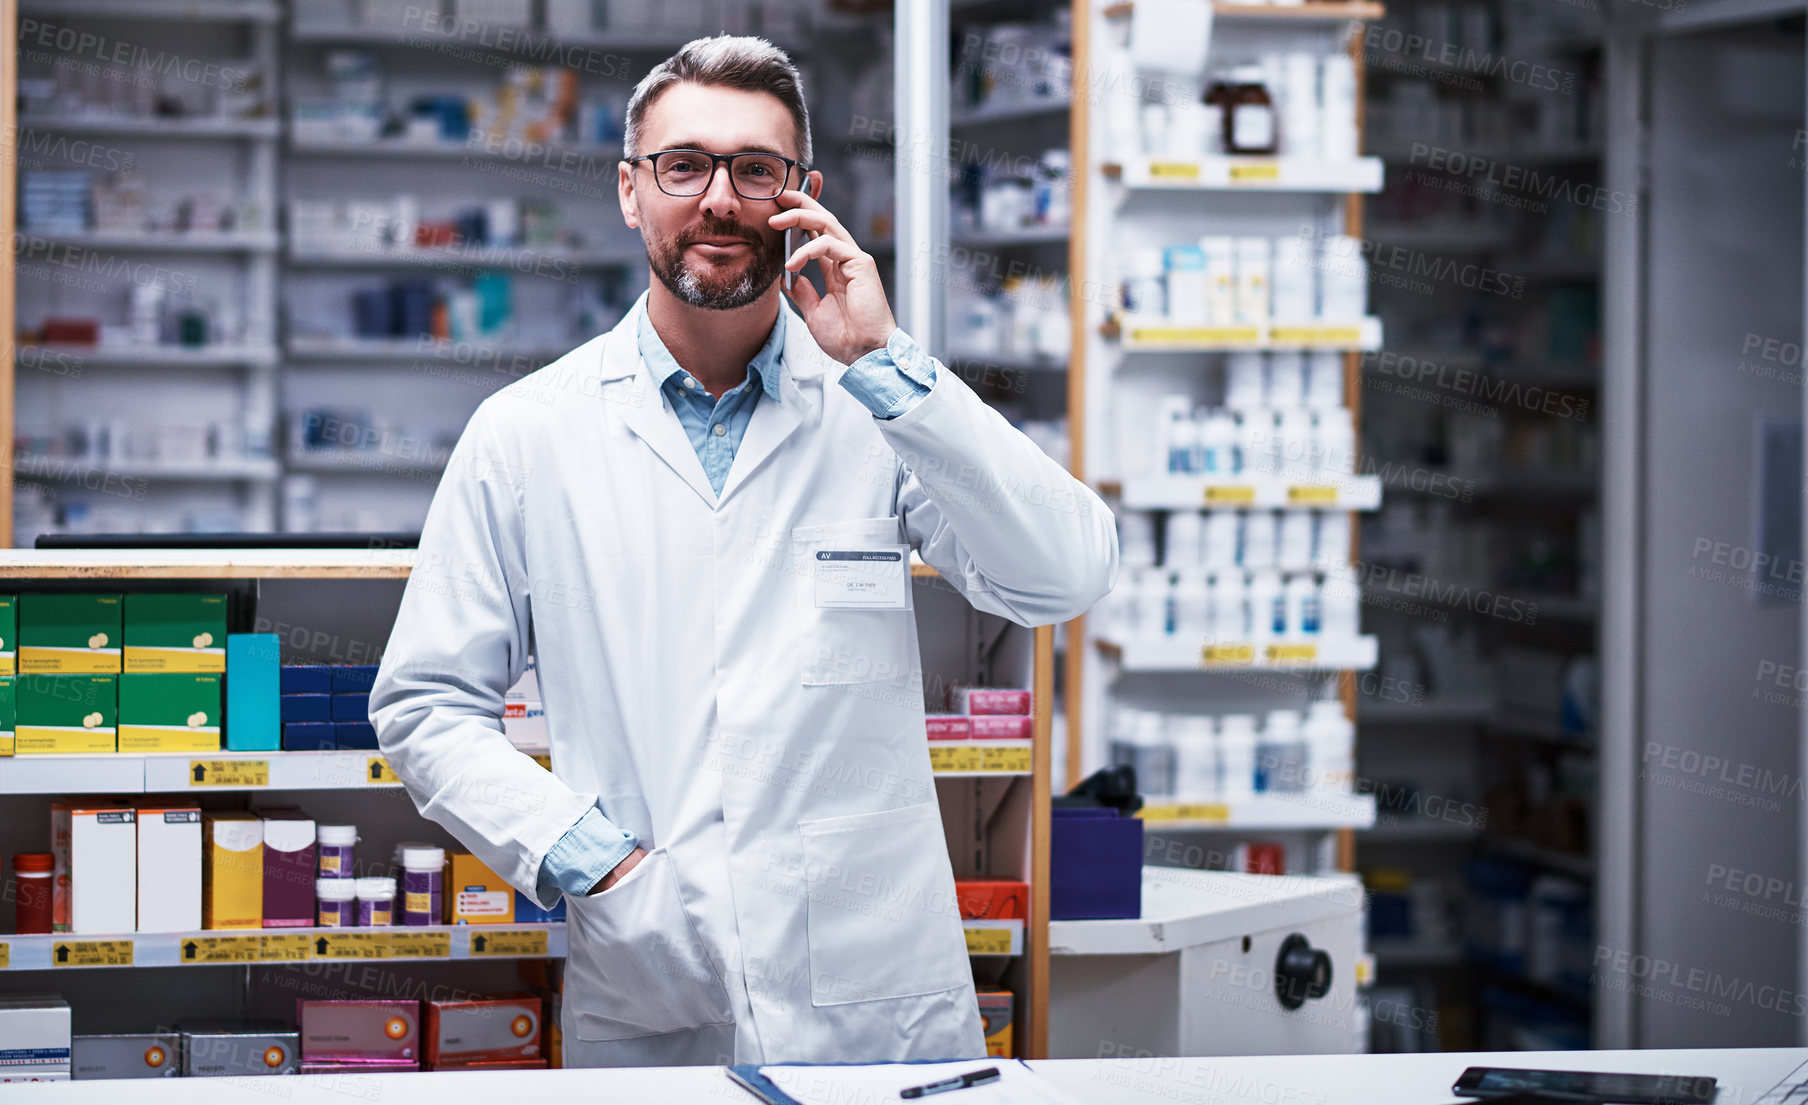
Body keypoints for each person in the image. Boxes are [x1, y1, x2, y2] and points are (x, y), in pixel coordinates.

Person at [371, 35, 1117, 1068]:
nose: (718, 198)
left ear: (800, 195)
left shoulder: (876, 409)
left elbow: (1064, 573)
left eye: (754, 169)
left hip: (874, 1002)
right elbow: (424, 705)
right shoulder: (527, 432)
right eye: (683, 165)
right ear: (631, 191)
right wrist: (603, 867)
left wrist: (889, 366)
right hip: (650, 983)